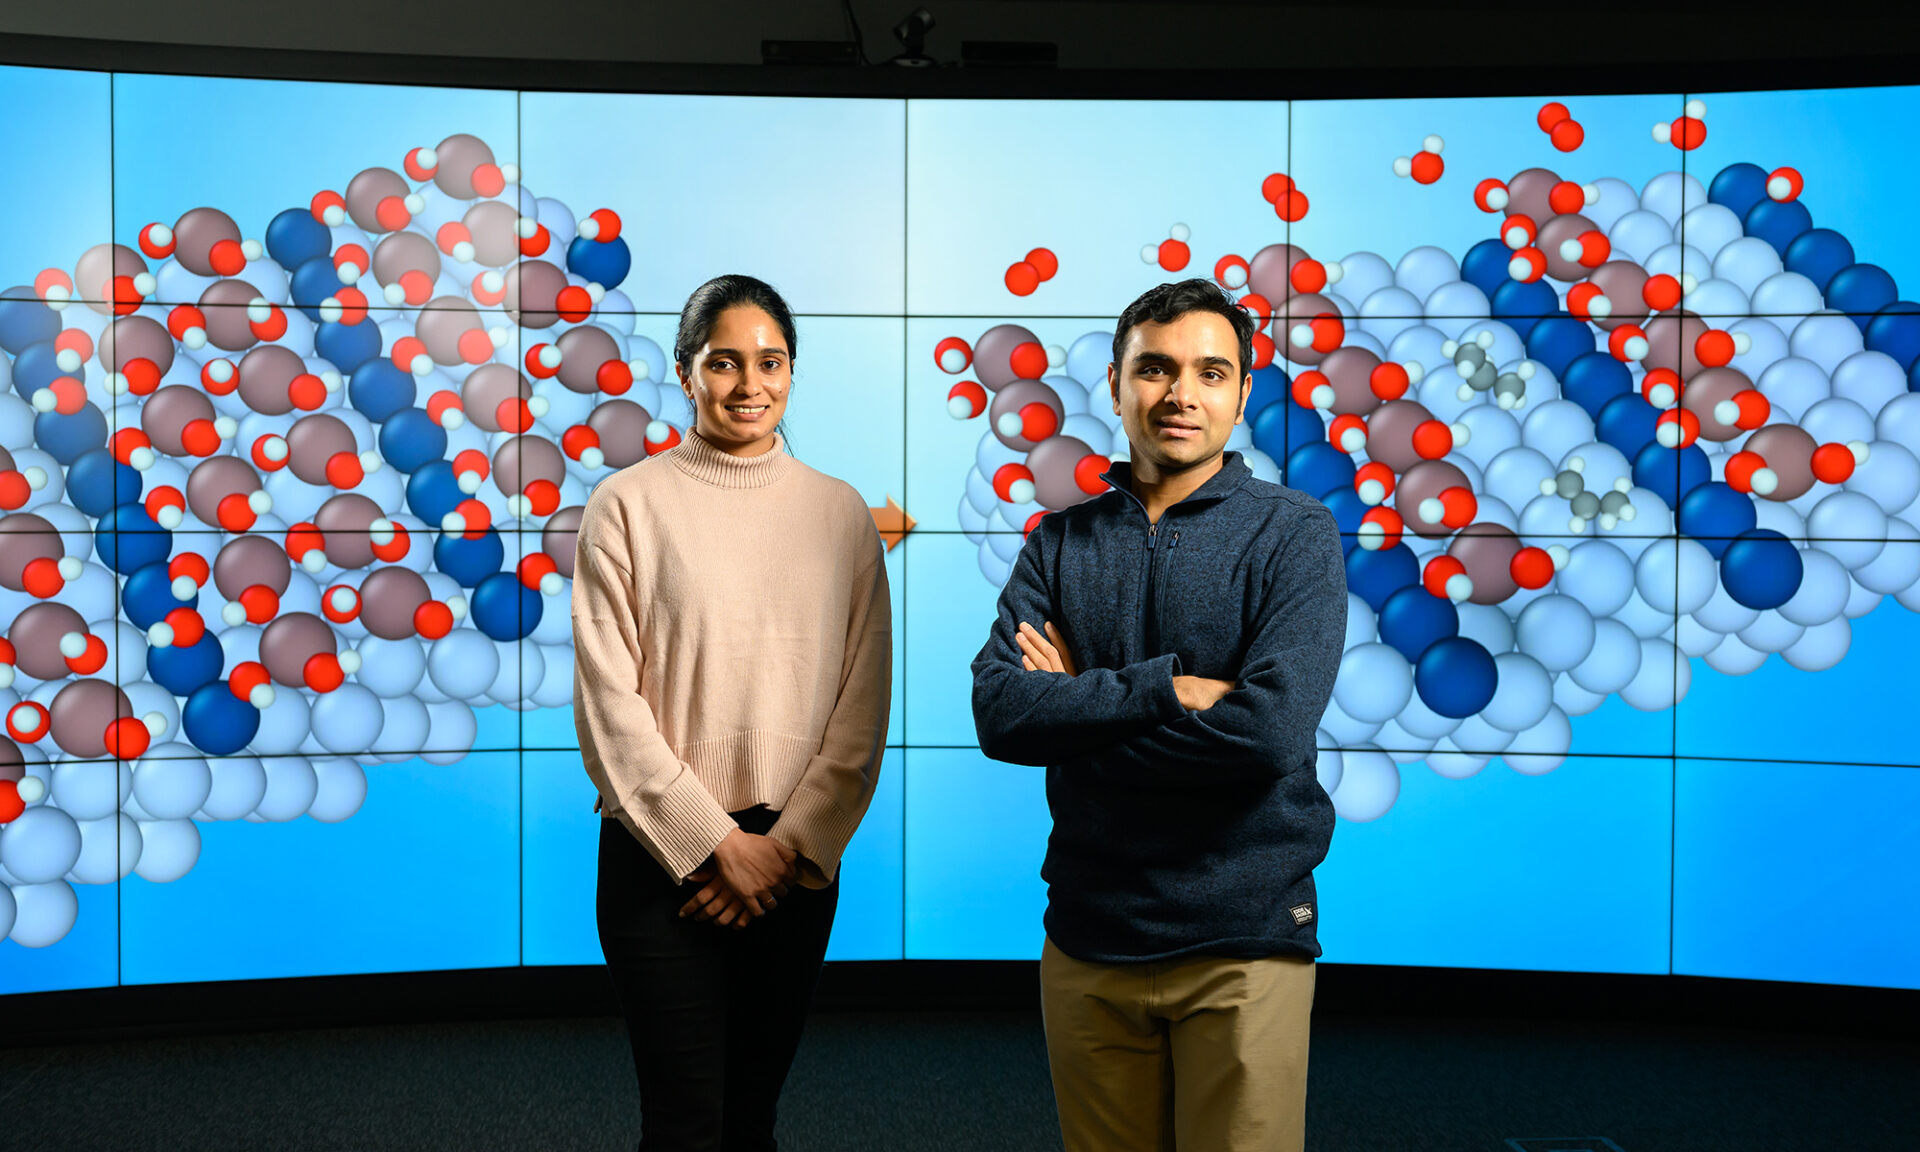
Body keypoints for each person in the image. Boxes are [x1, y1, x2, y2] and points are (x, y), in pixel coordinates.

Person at [970, 277, 1348, 1152]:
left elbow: (1268, 736)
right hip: (1088, 936)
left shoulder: (1294, 534)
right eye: (1156, 369)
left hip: (1244, 943)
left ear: (1243, 392)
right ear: (1114, 383)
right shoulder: (1059, 543)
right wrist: (1167, 691)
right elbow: (1000, 714)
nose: (1181, 394)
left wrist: (1080, 708)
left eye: (1211, 372)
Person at [572, 274, 892, 1151]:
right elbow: (609, 707)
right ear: (685, 373)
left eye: (771, 362)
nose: (750, 384)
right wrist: (714, 845)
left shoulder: (841, 515)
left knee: (752, 1122)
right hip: (660, 860)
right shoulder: (627, 505)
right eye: (724, 362)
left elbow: (861, 712)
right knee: (683, 1126)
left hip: (794, 860)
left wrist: (783, 851)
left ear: (792, 373)